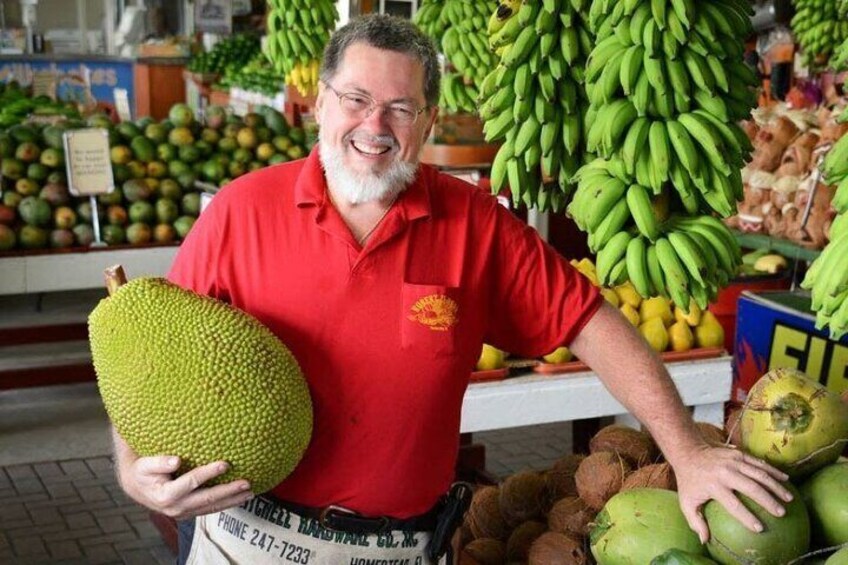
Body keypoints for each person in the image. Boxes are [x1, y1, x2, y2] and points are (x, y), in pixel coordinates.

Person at [111, 14, 792, 564]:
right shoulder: (240, 211)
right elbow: (152, 361)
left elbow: (592, 321)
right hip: (247, 540)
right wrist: (131, 466)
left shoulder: (476, 227)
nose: (374, 127)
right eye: (355, 100)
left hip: (397, 549)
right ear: (319, 103)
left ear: (428, 123)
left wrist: (688, 449)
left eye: (400, 109)